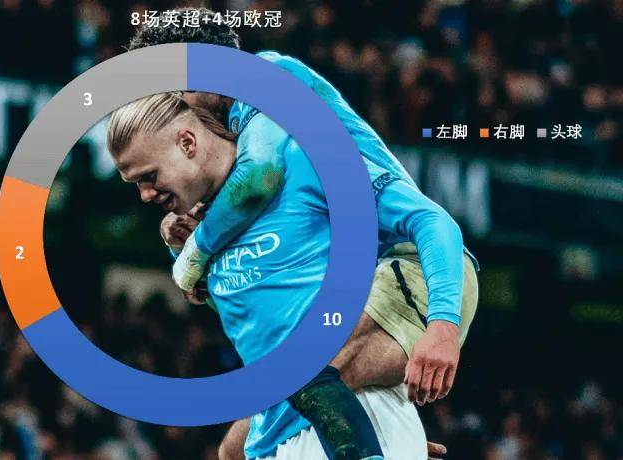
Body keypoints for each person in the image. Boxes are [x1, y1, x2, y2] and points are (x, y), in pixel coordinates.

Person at [128, 7, 479, 460]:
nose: (172, 111)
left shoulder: (271, 79)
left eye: (170, 92)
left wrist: (443, 327)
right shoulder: (246, 158)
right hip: (373, 287)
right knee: (236, 449)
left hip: (421, 267)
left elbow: (260, 177)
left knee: (302, 368)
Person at [108, 92, 383, 460]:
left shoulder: (298, 161)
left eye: (149, 177)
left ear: (187, 142)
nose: (143, 195)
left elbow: (420, 223)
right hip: (284, 423)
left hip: (343, 407)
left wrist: (438, 327)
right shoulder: (198, 223)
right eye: (135, 184)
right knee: (230, 450)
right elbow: (254, 320)